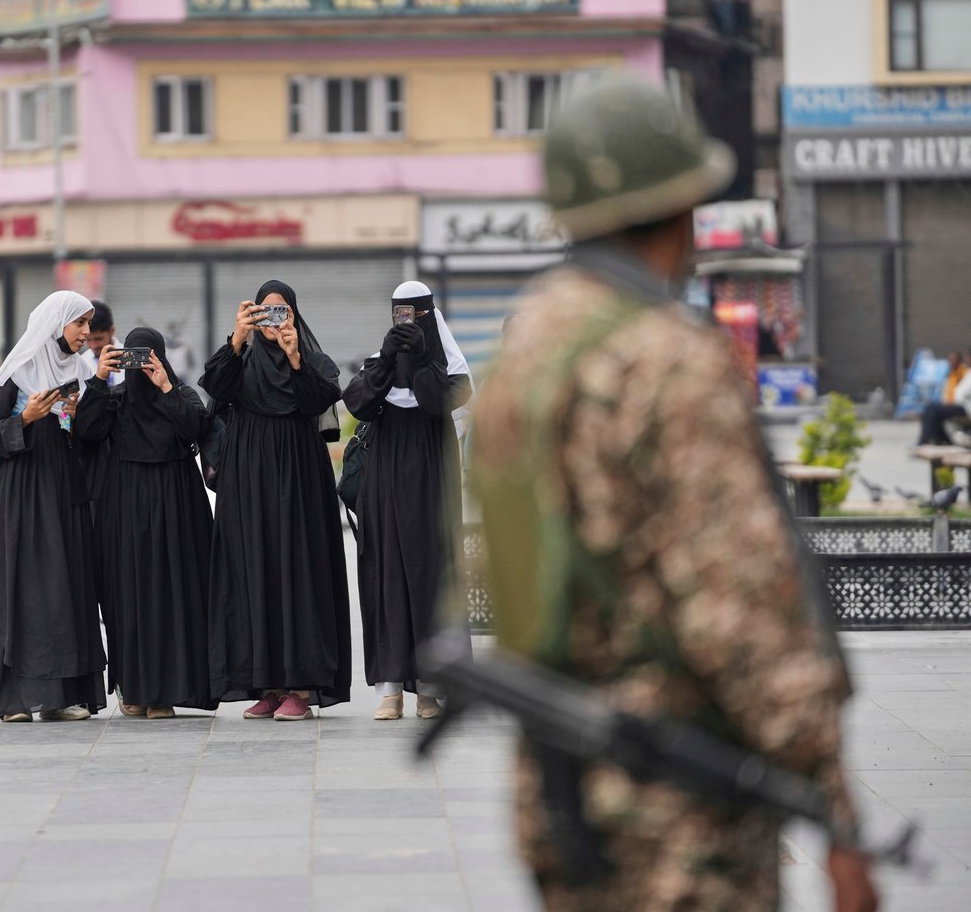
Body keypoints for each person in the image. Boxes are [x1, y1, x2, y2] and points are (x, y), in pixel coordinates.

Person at [467, 76, 877, 912]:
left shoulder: (524, 349)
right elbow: (742, 606)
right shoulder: (666, 358)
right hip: (679, 801)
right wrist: (836, 809)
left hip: (559, 786)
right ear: (683, 204)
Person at [199, 280, 352, 721]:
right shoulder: (240, 357)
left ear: (294, 314)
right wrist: (237, 336)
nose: (274, 319)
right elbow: (216, 387)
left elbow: (321, 400)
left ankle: (300, 688)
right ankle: (266, 684)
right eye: (265, 311)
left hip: (299, 475)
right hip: (247, 478)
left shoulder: (311, 360)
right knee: (253, 570)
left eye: (281, 310)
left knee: (297, 569)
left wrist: (294, 357)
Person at [343, 281, 473, 721]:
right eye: (400, 314)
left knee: (430, 576)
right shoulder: (380, 360)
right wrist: (387, 359)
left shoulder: (445, 365)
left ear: (429, 315)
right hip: (385, 480)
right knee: (387, 573)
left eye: (415, 314)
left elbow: (443, 400)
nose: (407, 322)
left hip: (432, 477)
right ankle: (390, 689)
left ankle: (430, 690)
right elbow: (358, 403)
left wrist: (420, 357)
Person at [0, 290, 106, 723]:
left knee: (64, 588)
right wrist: (27, 418)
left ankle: (61, 697)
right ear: (56, 325)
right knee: (24, 589)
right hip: (24, 496)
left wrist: (76, 412)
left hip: (65, 491)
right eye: (79, 324)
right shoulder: (19, 371)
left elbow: (89, 436)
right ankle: (16, 699)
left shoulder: (81, 370)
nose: (86, 334)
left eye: (88, 325)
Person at [73, 327, 216, 719]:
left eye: (147, 356)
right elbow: (85, 430)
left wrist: (166, 387)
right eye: (132, 357)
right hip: (124, 510)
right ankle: (134, 688)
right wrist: (100, 379)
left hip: (175, 509)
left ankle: (166, 692)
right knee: (126, 597)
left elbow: (196, 427)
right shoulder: (115, 400)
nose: (140, 365)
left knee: (173, 595)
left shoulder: (180, 393)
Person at [917, 350, 967, 445]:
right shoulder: (950, 374)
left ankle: (924, 441)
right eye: (950, 360)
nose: (951, 362)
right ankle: (941, 440)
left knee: (932, 409)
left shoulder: (964, 374)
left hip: (961, 405)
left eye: (954, 360)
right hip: (950, 403)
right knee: (930, 410)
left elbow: (961, 394)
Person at [80, 301, 124, 387]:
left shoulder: (131, 357)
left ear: (112, 331)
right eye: (88, 340)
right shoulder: (82, 362)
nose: (93, 345)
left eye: (98, 339)